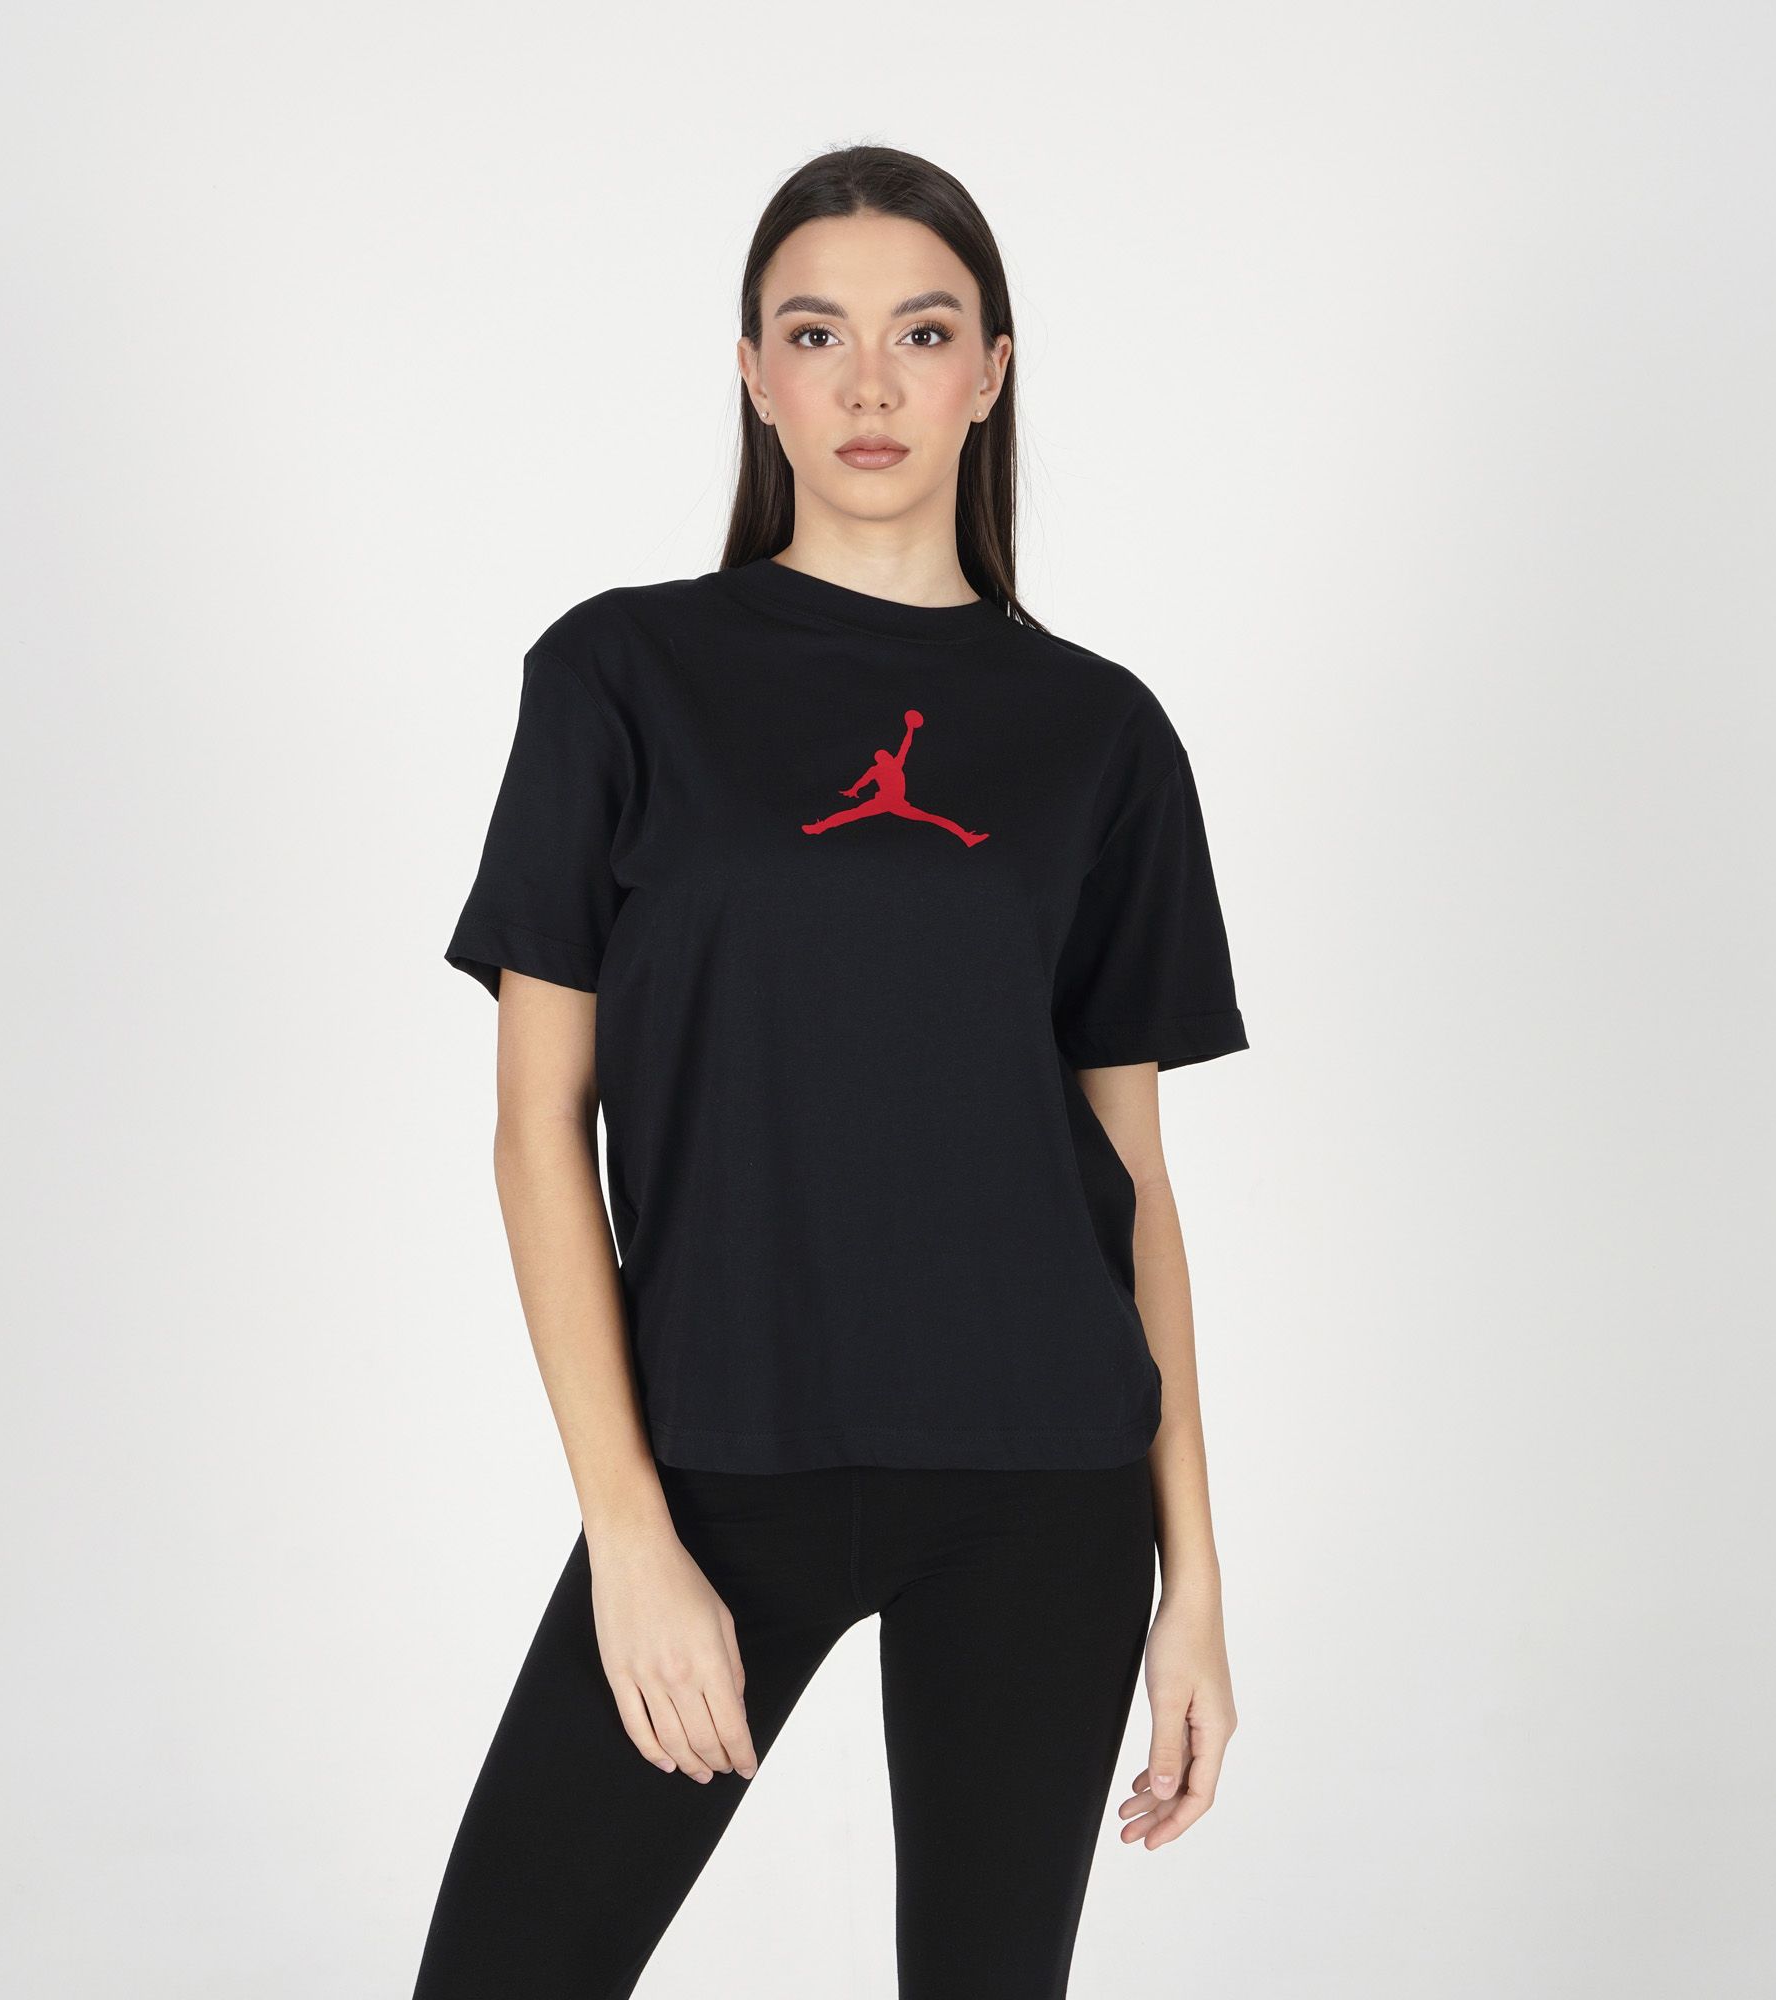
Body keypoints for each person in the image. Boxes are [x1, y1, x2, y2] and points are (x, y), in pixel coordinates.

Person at [411, 143, 1251, 2000]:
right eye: (817, 333)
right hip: (721, 1457)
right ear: (754, 371)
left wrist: (1193, 1584)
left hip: (1045, 1479)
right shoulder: (620, 676)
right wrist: (629, 1536)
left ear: (991, 373)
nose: (870, 382)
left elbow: (1133, 1183)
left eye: (922, 333)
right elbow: (537, 1131)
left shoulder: (1101, 734)